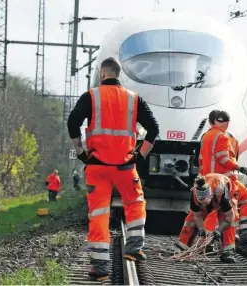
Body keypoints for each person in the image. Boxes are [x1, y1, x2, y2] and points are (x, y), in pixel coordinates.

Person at [67, 57, 159, 281]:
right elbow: (154, 129)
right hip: (125, 166)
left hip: (97, 167)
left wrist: (80, 152)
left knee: (99, 213)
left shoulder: (92, 96)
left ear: (102, 74)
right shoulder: (134, 99)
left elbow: (72, 122)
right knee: (135, 203)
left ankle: (100, 269)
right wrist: (140, 155)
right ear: (119, 75)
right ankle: (134, 249)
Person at [198, 110, 247, 243]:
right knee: (245, 202)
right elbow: (223, 159)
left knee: (213, 210)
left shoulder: (206, 136)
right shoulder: (222, 137)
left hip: (209, 180)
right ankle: (244, 233)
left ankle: (207, 243)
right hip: (225, 181)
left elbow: (200, 160)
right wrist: (241, 169)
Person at [179, 173, 238, 263]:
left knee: (228, 219)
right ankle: (181, 246)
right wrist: (201, 229)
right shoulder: (194, 196)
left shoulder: (222, 195)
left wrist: (219, 229)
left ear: (210, 195)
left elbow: (230, 216)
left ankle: (228, 252)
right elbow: (197, 215)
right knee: (190, 219)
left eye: (204, 202)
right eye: (200, 202)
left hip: (228, 194)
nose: (203, 205)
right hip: (212, 198)